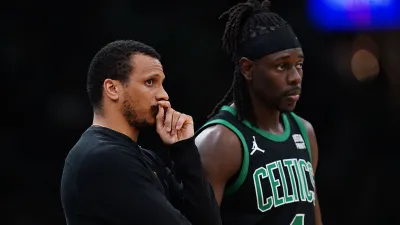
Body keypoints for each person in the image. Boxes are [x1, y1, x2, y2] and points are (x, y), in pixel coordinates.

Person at [60, 40, 221, 225]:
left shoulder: (143, 157)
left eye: (162, 84)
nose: (164, 95)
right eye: (150, 82)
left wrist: (184, 149)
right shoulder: (103, 159)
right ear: (112, 89)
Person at [195, 1, 323, 225]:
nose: (295, 77)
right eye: (282, 66)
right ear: (248, 69)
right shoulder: (220, 141)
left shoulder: (305, 132)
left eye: (299, 65)